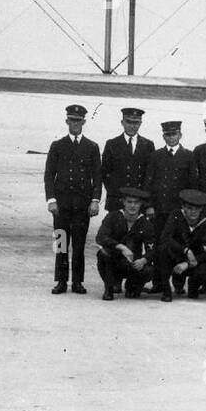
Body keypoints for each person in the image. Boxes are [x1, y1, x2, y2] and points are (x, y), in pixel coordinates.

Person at [44, 103, 102, 294]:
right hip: (61, 207)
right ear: (67, 121)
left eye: (79, 120)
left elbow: (97, 177)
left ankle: (77, 282)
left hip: (81, 207)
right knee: (60, 244)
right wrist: (51, 200)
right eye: (72, 120)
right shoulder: (57, 146)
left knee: (78, 245)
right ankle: (61, 281)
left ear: (84, 122)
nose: (75, 123)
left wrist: (95, 200)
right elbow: (49, 175)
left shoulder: (92, 147)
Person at [145, 120, 195, 288]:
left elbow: (192, 184)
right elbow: (149, 182)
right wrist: (149, 205)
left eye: (174, 134)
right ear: (163, 136)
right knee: (160, 244)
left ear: (180, 135)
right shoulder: (156, 156)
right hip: (160, 209)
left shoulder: (188, 156)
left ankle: (179, 283)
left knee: (179, 244)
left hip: (180, 211)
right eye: (168, 135)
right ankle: (158, 282)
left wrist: (188, 209)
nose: (171, 137)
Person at [95, 186, 155, 300]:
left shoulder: (145, 223)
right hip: (114, 260)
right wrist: (121, 247)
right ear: (123, 202)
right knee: (103, 254)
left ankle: (132, 286)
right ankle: (109, 287)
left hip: (132, 262)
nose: (132, 206)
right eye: (129, 202)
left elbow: (152, 249)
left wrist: (143, 260)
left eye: (136, 203)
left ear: (141, 204)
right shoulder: (113, 216)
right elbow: (101, 237)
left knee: (149, 270)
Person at [155, 188, 206, 301]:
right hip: (176, 256)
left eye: (197, 209)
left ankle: (193, 286)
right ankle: (166, 290)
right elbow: (165, 238)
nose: (193, 212)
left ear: (201, 209)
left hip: (194, 261)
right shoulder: (176, 216)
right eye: (189, 208)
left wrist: (187, 264)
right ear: (183, 207)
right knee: (163, 250)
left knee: (204, 269)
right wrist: (186, 250)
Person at [101, 107, 154, 212]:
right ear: (122, 122)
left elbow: (150, 175)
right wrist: (115, 192)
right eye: (128, 122)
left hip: (139, 201)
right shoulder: (112, 144)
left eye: (136, 123)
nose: (132, 126)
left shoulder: (148, 145)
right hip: (117, 199)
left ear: (140, 124)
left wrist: (146, 201)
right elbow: (105, 172)